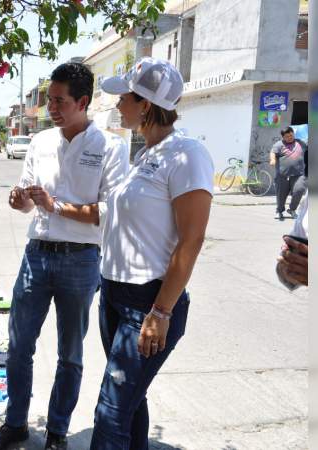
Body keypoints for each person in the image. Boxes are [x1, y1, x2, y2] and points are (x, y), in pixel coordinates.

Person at [0, 63, 129, 450]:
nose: (52, 108)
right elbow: (27, 204)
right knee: (18, 347)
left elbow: (109, 212)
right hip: (37, 255)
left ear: (83, 102)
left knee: (71, 354)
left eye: (60, 101)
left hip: (81, 261)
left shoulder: (110, 147)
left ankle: (57, 432)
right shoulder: (41, 141)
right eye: (49, 100)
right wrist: (19, 200)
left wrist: (57, 206)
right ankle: (15, 424)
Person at [90, 57, 214, 449]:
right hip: (113, 293)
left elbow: (191, 239)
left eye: (123, 98)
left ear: (145, 104)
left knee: (110, 412)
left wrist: (161, 311)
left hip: (147, 302)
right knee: (129, 403)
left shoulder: (186, 153)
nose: (117, 105)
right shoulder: (143, 154)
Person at [270, 127, 306, 221]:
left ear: (293, 133)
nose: (290, 137)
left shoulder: (301, 143)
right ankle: (279, 211)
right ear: (283, 137)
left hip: (298, 174)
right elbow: (273, 152)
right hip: (282, 175)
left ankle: (292, 209)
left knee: (299, 190)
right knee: (281, 194)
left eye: (291, 135)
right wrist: (273, 159)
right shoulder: (279, 144)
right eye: (287, 136)